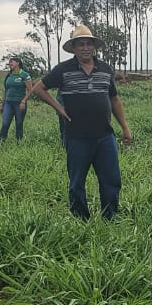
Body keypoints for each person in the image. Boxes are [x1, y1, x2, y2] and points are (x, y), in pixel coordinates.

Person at [30, 24, 134, 220]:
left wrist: (125, 128)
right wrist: (59, 108)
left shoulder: (105, 69)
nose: (85, 48)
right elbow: (38, 88)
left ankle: (109, 218)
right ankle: (80, 219)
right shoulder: (63, 69)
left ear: (94, 46)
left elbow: (114, 99)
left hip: (105, 135)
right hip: (76, 136)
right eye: (80, 44)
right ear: (74, 48)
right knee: (77, 181)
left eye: (88, 44)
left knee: (111, 180)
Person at [0, 57, 33, 141]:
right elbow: (5, 90)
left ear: (18, 63)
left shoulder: (24, 75)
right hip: (8, 103)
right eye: (9, 63)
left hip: (19, 103)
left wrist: (24, 101)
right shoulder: (9, 75)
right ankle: (1, 141)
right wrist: (2, 104)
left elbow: (30, 90)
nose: (10, 64)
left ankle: (19, 142)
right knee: (5, 123)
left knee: (19, 123)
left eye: (12, 62)